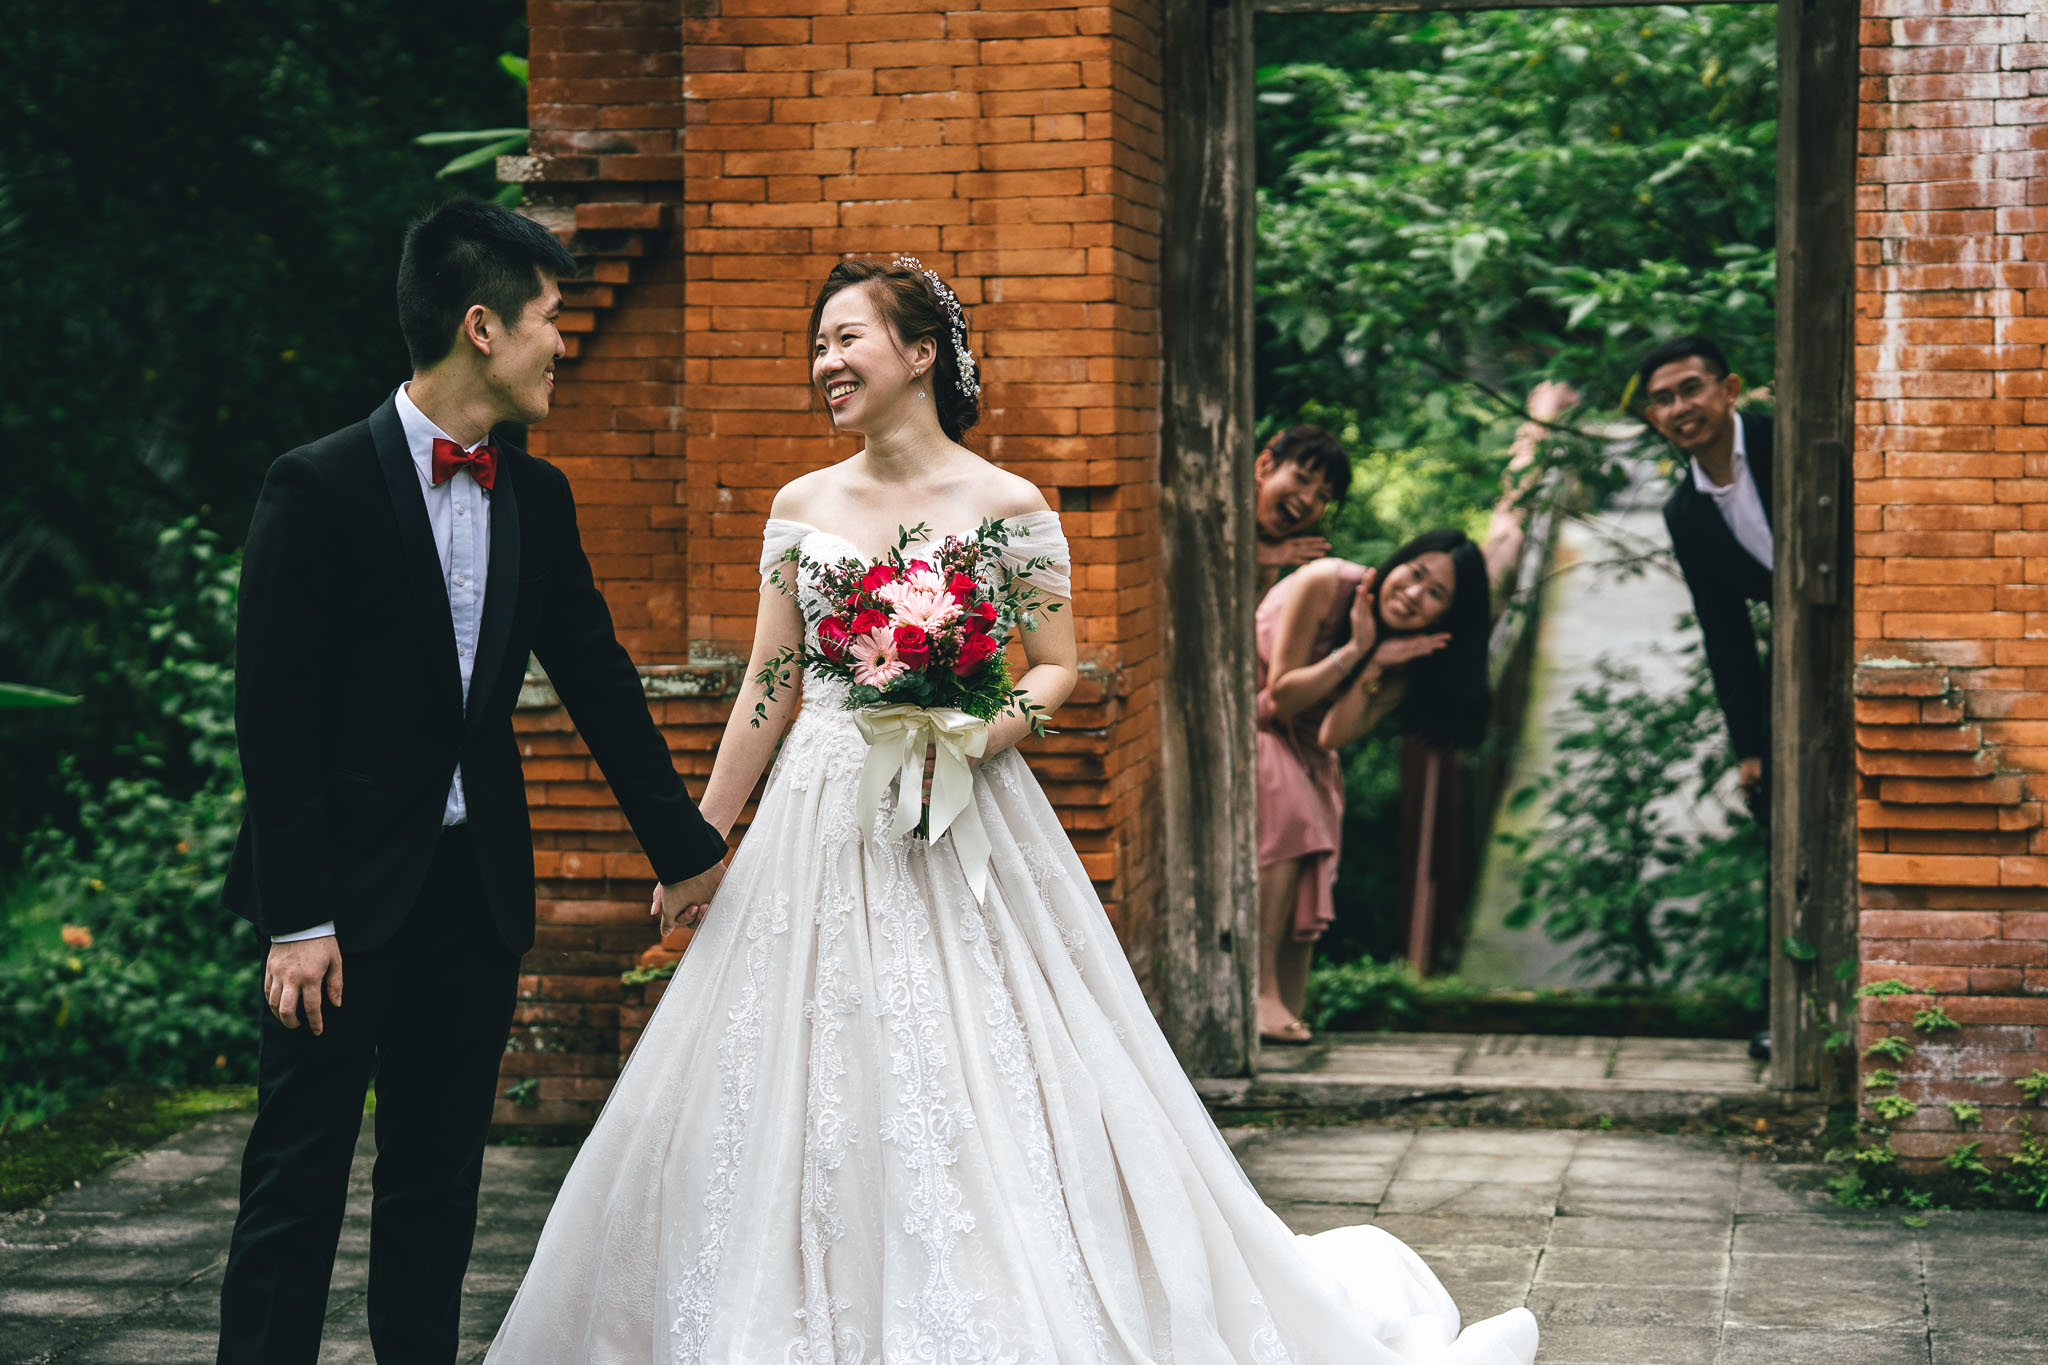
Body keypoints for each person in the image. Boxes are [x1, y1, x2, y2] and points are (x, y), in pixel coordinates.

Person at [481, 257, 1538, 1364]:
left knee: (975, 1057)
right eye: (818, 344)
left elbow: (1056, 665)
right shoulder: (800, 507)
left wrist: (979, 731)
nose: (825, 362)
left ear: (920, 353)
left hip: (960, 810)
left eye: (847, 338)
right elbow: (769, 685)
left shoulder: (1009, 506)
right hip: (820, 807)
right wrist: (698, 840)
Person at [215, 198, 730, 1365]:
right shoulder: (314, 485)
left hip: (473, 892)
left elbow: (598, 680)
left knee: (437, 1184)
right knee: (296, 1181)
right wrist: (297, 918)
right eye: (550, 317)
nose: (563, 341)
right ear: (481, 327)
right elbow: (276, 721)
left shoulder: (537, 498)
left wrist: (686, 849)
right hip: (338, 900)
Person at [1252, 384, 1573, 1046]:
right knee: (1295, 803)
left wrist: (1376, 667)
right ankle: (1258, 991)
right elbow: (1281, 699)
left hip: (1302, 743)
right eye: (1415, 574)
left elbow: (1332, 734)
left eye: (1436, 595)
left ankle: (1288, 998)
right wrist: (1358, 649)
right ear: (1398, 562)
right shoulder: (1326, 581)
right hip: (1254, 721)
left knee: (1320, 807)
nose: (1415, 593)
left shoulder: (1411, 655)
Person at [1638, 335, 1773, 1060]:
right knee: (1780, 820)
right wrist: (1749, 746)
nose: (1679, 407)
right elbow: (1725, 633)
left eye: (1690, 388)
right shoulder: (1684, 511)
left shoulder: (1788, 442)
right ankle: (1787, 1009)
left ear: (1730, 388)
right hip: (1796, 668)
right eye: (1663, 399)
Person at [1254, 424, 1350, 596]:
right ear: (1265, 465)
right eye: (1301, 478)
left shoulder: (1270, 566)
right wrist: (1258, 555)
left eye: (1323, 496)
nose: (1308, 500)